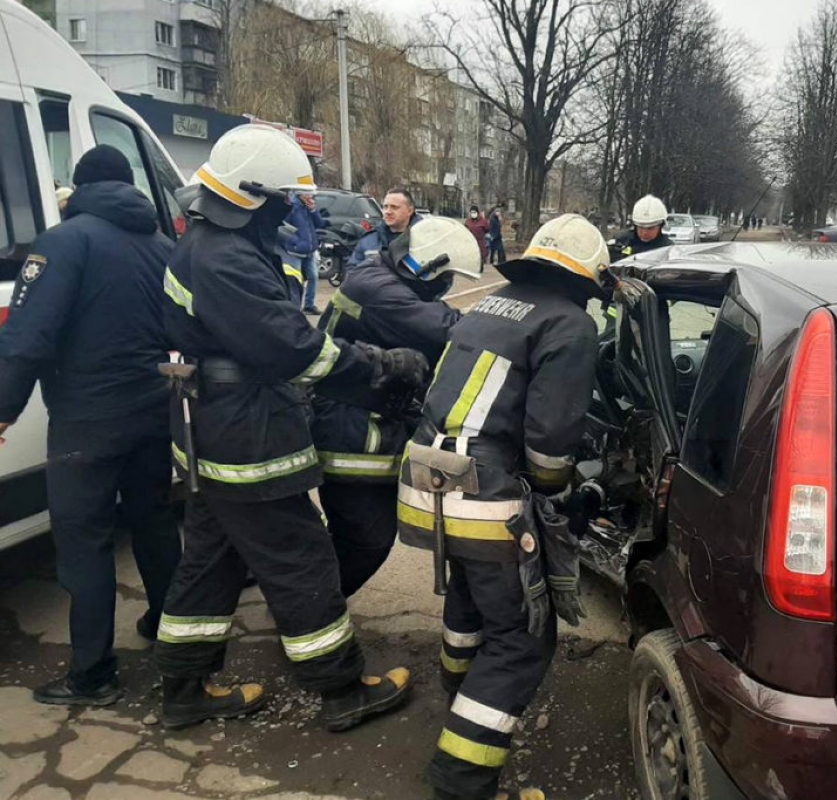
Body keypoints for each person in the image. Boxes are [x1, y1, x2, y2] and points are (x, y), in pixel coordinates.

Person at [155, 125, 427, 732]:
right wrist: (384, 369)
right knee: (301, 560)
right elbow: (299, 351)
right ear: (250, 195)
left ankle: (183, 690)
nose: (288, 208)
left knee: (209, 562)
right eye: (282, 197)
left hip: (211, 431)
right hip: (246, 437)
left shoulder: (204, 244)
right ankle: (341, 689)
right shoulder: (227, 260)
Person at [397, 214, 606, 800]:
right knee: (521, 638)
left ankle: (459, 698)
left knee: (473, 597)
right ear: (587, 278)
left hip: (426, 480)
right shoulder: (571, 324)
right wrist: (565, 491)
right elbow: (547, 445)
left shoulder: (492, 304)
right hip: (485, 496)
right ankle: (462, 780)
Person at [0, 145, 182, 706]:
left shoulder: (62, 243)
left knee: (84, 541)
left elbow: (27, 341)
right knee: (153, 524)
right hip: (153, 411)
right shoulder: (161, 247)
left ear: (78, 188)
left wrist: (4, 408)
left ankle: (93, 674)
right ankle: (171, 631)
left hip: (86, 421)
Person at [312, 217, 479, 597]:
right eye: (447, 274)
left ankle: (308, 598)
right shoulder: (376, 288)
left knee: (354, 534)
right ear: (428, 264)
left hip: (364, 423)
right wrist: (502, 319)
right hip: (347, 428)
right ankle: (312, 608)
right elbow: (446, 328)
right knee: (367, 538)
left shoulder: (385, 277)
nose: (447, 284)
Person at [347, 188, 421, 271]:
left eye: (394, 207)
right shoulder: (369, 240)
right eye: (385, 207)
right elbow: (351, 272)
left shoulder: (426, 238)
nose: (388, 212)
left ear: (410, 211)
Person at [282, 191, 327, 314]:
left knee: (313, 277)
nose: (311, 197)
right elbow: (283, 226)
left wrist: (313, 210)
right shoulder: (292, 207)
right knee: (296, 280)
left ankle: (309, 305)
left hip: (309, 251)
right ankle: (295, 307)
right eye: (308, 194)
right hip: (295, 251)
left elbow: (320, 224)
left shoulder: (308, 208)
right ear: (300, 195)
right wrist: (295, 243)